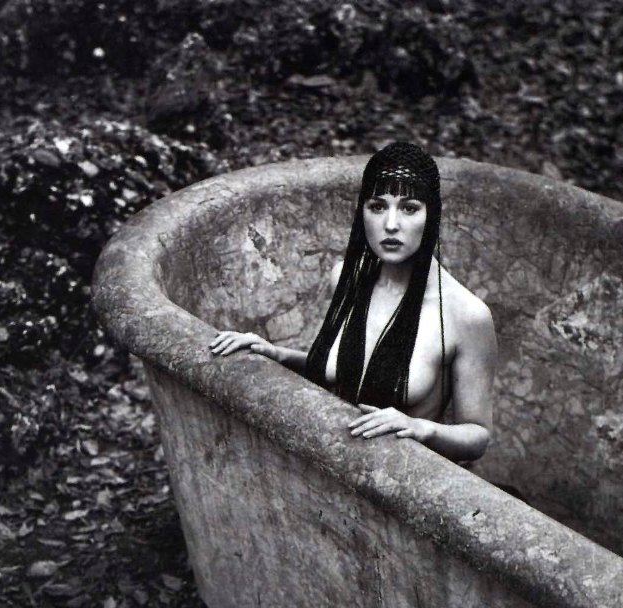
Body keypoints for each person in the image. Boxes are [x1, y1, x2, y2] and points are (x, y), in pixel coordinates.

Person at [209, 142, 497, 464]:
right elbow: (345, 371)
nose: (391, 224)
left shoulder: (465, 315)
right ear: (362, 211)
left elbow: (477, 436)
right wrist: (275, 354)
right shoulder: (347, 278)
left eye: (409, 208)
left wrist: (420, 428)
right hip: (330, 461)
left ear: (432, 215)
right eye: (377, 206)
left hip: (403, 475)